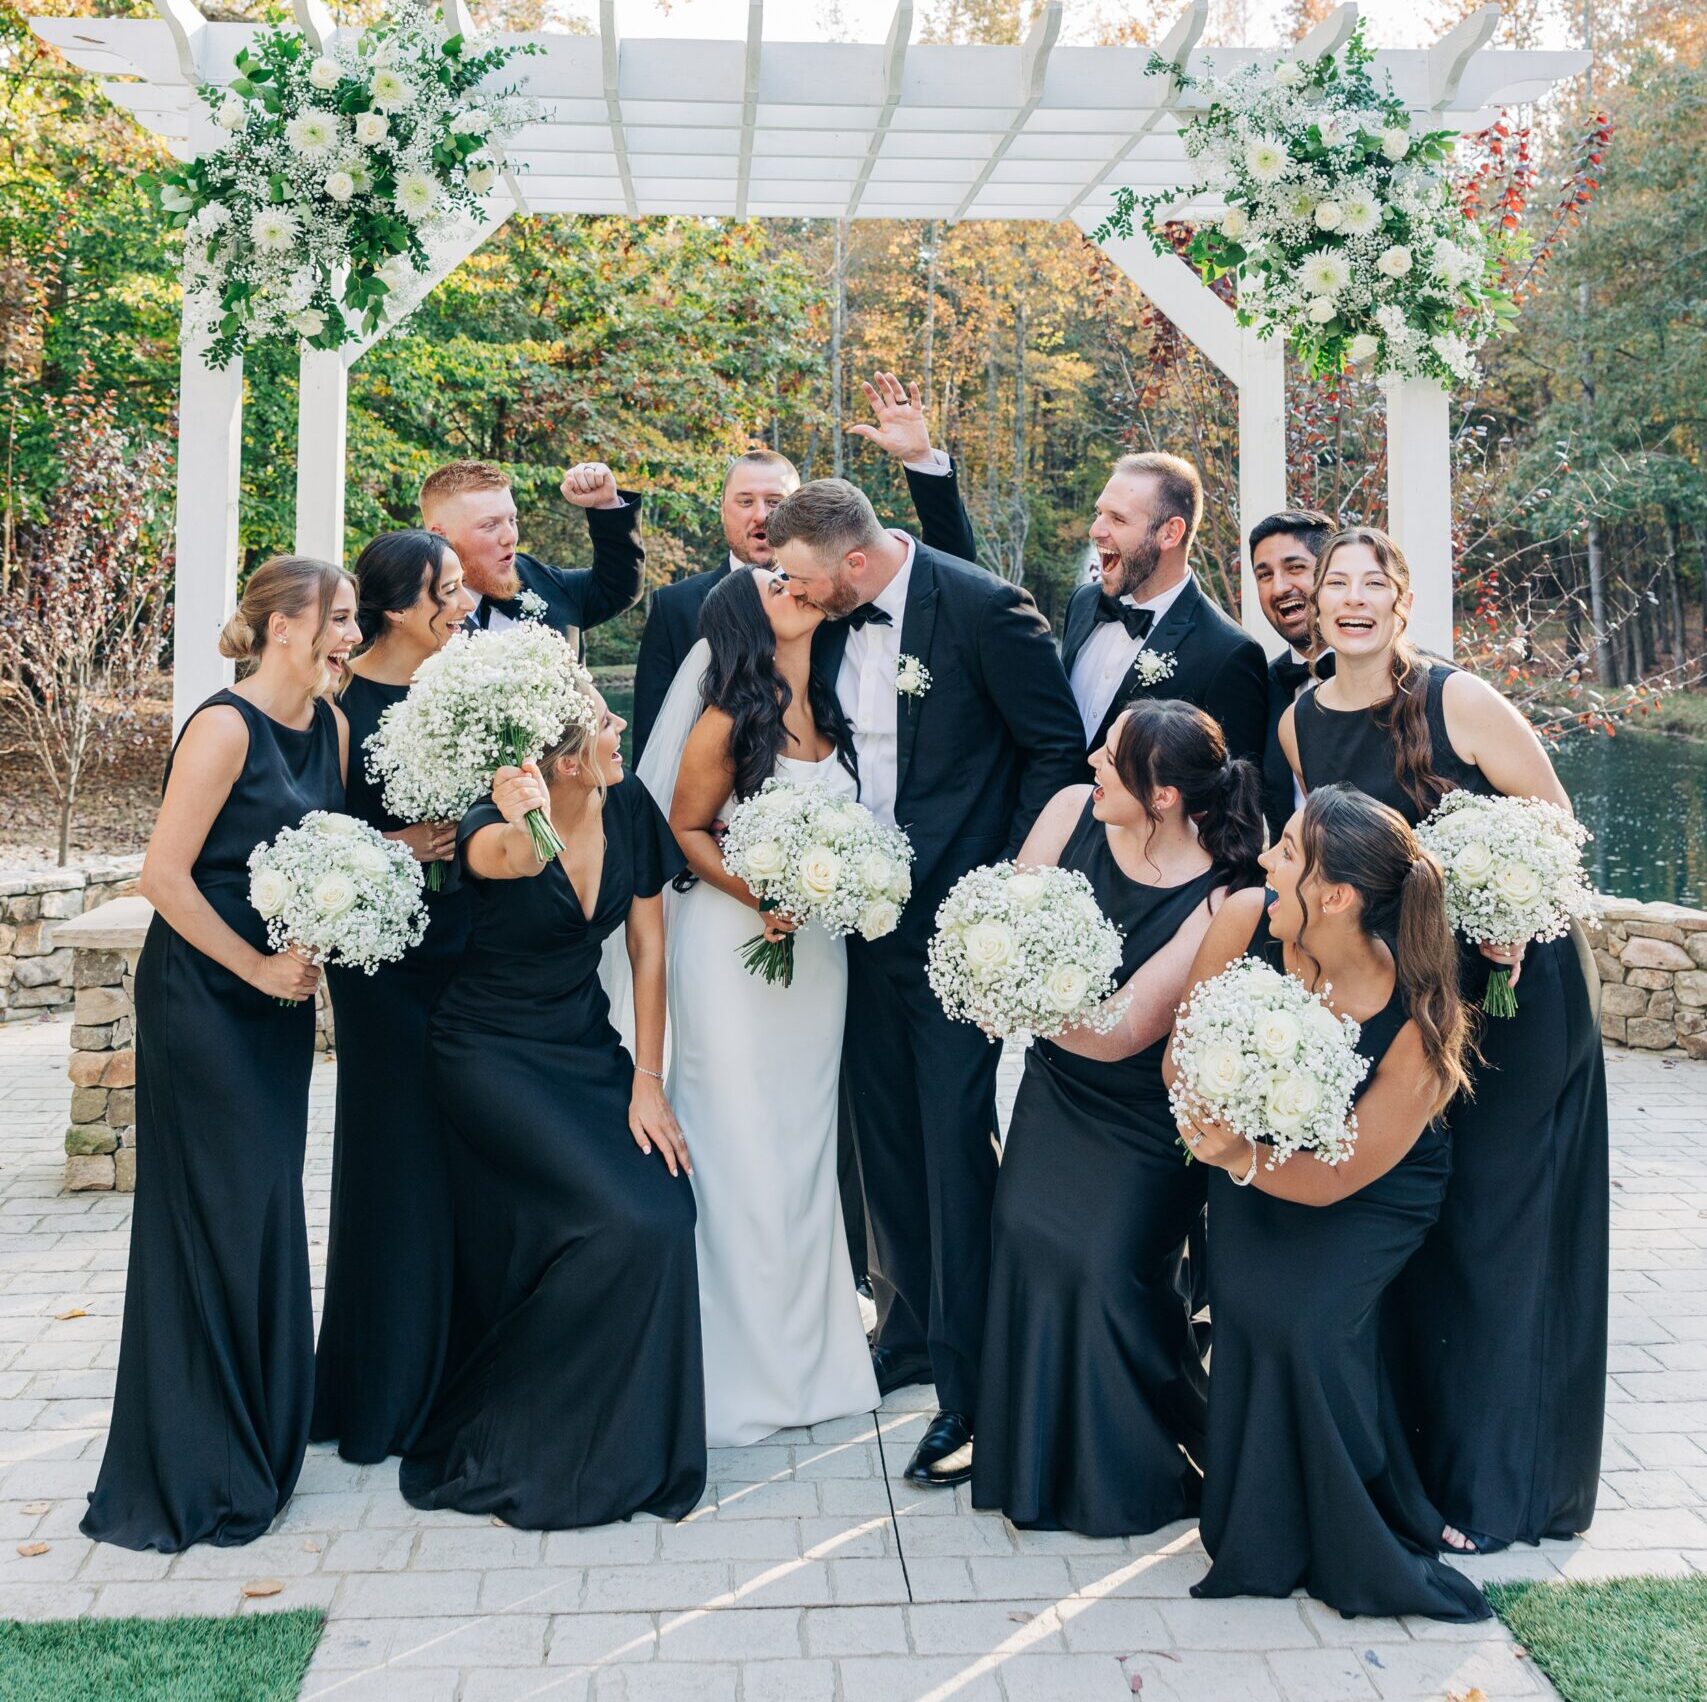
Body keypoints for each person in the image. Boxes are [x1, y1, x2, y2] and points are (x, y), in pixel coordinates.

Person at [1280, 526, 1609, 1555]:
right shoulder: (1299, 723)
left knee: (1494, 1228)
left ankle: (1497, 1486)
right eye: (1338, 583)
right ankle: (1418, 1466)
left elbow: (1556, 824)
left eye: (1376, 583)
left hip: (1514, 991)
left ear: (1405, 602)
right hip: (1412, 1007)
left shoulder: (1458, 700)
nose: (1354, 598)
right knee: (1421, 1226)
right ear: (1318, 605)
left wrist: (1520, 912)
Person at [769, 478, 1084, 1487]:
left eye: (807, 581)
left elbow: (1056, 755)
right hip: (855, 923)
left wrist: (1006, 891)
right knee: (881, 1134)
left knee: (951, 1143)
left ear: (856, 563)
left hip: (958, 923)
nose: (797, 595)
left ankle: (971, 1391)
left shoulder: (985, 611)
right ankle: (903, 1331)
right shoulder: (817, 621)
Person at [84, 557, 357, 1550]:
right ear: (283, 625)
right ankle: (195, 1462)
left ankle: (261, 1428)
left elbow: (330, 848)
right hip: (203, 995)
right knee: (218, 1212)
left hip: (274, 1002)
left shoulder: (324, 725)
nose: (348, 636)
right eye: (337, 618)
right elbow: (163, 874)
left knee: (266, 1205)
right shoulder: (223, 725)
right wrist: (254, 966)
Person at [1169, 785, 1489, 1623]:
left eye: (1286, 851)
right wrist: (1216, 1118)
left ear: (1337, 895)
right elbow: (1180, 1054)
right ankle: (1257, 1521)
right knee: (1249, 1309)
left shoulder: (1419, 1018)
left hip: (1372, 1190)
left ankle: (1363, 1525)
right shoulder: (1243, 922)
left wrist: (1235, 1150)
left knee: (1307, 1325)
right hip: (1250, 1165)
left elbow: (1335, 1179)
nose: (1266, 862)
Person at [399, 681, 705, 1530]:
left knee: (663, 1214)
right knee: (619, 1223)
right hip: (487, 1055)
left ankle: (626, 1441)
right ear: (565, 760)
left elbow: (648, 946)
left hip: (583, 1048)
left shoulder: (629, 801)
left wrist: (649, 1078)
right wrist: (525, 816)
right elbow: (513, 860)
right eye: (607, 725)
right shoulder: (486, 826)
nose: (621, 730)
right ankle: (521, 1429)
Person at [973, 701, 1263, 1537]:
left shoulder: (1221, 894)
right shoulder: (1070, 812)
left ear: (1163, 795)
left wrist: (1018, 1000)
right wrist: (984, 967)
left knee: (1106, 1270)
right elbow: (1004, 917)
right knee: (1026, 1240)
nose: (1093, 760)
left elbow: (1123, 1030)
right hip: (1056, 1086)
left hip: (1143, 1112)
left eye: (1113, 756)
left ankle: (1133, 1472)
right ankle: (1034, 1468)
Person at [642, 567, 878, 1446]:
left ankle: (814, 1365)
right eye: (777, 583)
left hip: (816, 959)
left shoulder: (830, 701)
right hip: (733, 951)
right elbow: (684, 827)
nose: (797, 586)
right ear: (748, 615)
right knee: (739, 1150)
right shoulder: (725, 715)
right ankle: (734, 1375)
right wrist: (758, 892)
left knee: (805, 1150)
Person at [311, 531, 477, 1464]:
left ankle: (458, 1364)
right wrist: (397, 849)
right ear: (395, 607)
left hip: (470, 953)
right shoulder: (339, 708)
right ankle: (380, 1383)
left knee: (463, 1156)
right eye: (444, 592)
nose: (461, 604)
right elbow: (314, 837)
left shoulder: (461, 689)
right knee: (393, 1159)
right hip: (381, 967)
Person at [631, 373, 978, 763]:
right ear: (723, 509)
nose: (761, 516)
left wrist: (919, 461)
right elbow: (652, 738)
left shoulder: (838, 593)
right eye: (745, 501)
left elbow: (954, 570)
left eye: (776, 501)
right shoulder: (674, 607)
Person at [1059, 453, 1268, 766]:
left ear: (1170, 533)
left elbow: (1233, 795)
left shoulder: (1228, 654)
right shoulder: (1084, 602)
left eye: (1117, 519)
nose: (1095, 530)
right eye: (1098, 513)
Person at [418, 458, 643, 655]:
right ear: (441, 536)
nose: (510, 537)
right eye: (489, 525)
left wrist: (606, 505)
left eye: (512, 520)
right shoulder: (408, 610)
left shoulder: (538, 578)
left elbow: (617, 589)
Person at [1248, 508, 1336, 843]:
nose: (1279, 587)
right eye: (1265, 575)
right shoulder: (1260, 688)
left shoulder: (1404, 676)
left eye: (1295, 568)